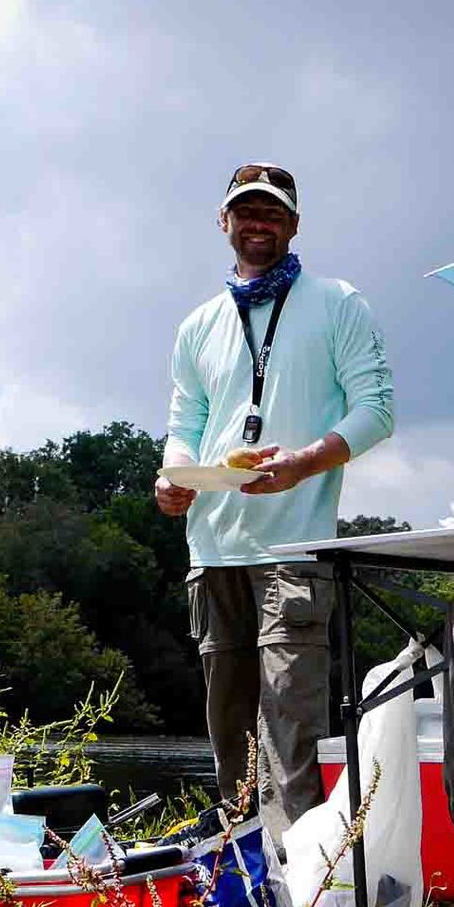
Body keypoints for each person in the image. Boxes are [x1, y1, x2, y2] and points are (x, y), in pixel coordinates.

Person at [155, 163, 395, 846]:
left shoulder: (339, 302)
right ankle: (241, 879)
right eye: (245, 211)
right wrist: (173, 476)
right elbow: (184, 424)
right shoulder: (197, 325)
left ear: (293, 224)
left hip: (294, 550)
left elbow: (377, 410)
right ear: (223, 222)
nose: (257, 223)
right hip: (213, 546)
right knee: (230, 731)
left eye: (272, 212)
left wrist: (303, 465)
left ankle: (302, 891)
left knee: (291, 724)